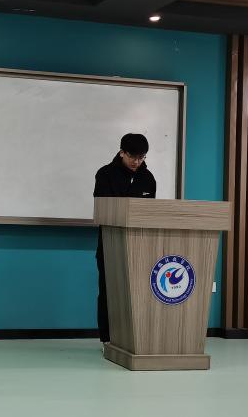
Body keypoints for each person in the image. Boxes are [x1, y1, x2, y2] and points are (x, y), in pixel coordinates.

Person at [93, 133, 156, 345]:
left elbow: (149, 213)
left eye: (142, 157)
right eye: (133, 157)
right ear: (122, 152)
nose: (137, 162)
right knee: (109, 292)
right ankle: (107, 340)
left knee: (138, 293)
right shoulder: (105, 174)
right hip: (110, 245)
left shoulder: (148, 179)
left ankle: (136, 338)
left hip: (139, 246)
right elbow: (103, 210)